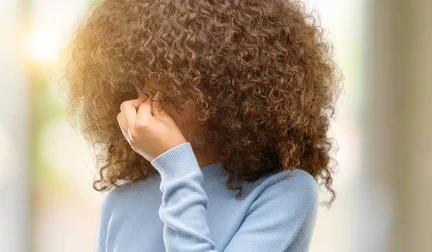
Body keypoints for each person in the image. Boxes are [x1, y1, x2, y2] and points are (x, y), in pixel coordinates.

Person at [64, 0, 340, 251]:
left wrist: (177, 167)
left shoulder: (284, 192)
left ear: (226, 86)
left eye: (172, 79)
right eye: (139, 78)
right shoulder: (121, 203)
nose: (146, 96)